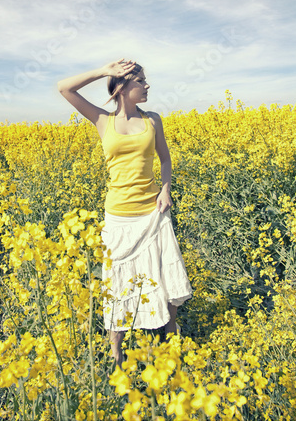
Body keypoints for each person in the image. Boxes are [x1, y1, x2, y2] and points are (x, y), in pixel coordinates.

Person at [57, 58, 192, 367]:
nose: (146, 86)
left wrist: (166, 189)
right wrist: (105, 70)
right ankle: (117, 355)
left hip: (153, 213)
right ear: (121, 87)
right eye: (140, 81)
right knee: (117, 285)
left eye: (145, 81)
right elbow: (65, 88)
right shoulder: (103, 120)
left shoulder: (153, 120)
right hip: (118, 216)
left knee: (166, 280)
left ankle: (171, 346)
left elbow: (166, 160)